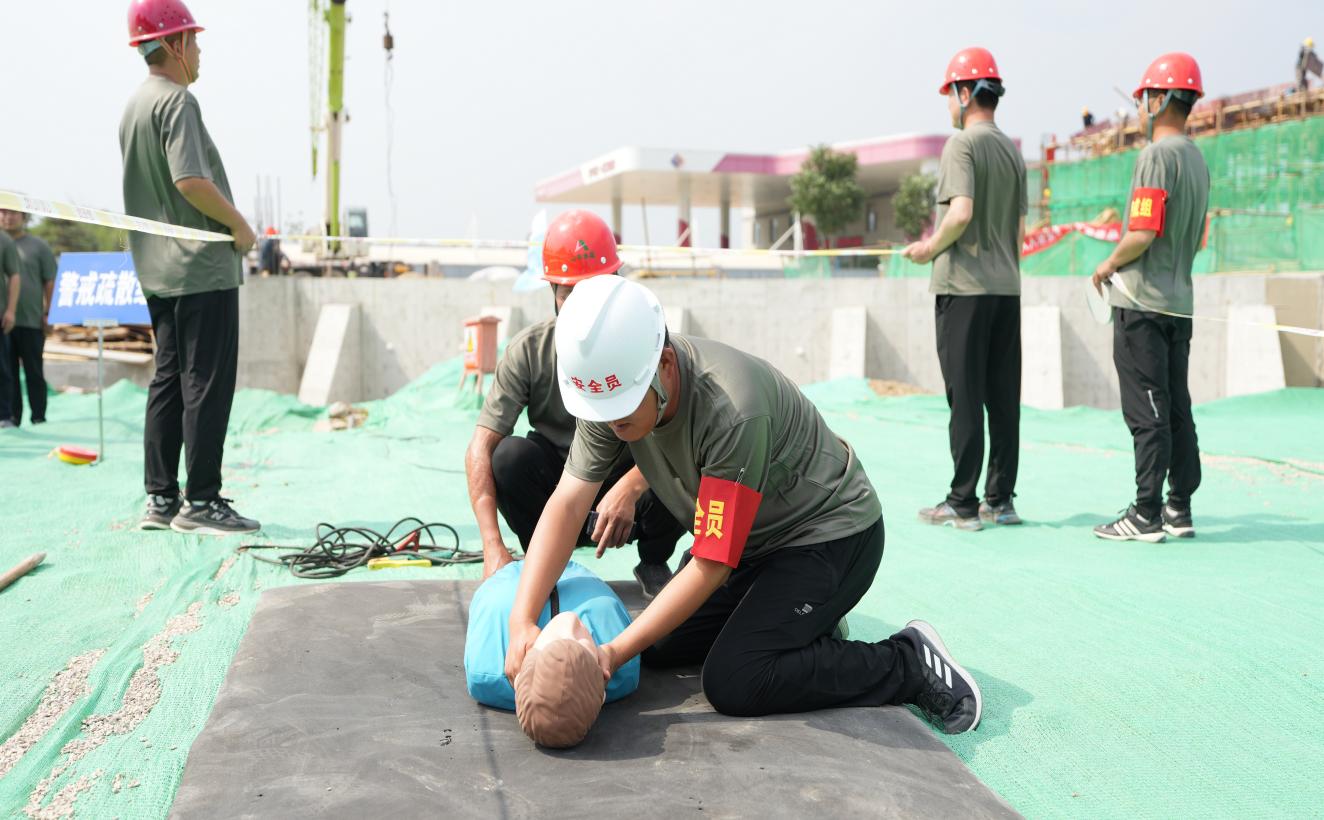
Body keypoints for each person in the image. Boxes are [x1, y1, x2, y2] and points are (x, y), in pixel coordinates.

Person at [503, 276, 983, 734]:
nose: (609, 424)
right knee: (659, 644)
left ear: (665, 365)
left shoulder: (731, 407)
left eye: (621, 409)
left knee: (736, 679)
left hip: (828, 537)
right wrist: (521, 619)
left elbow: (712, 562)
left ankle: (908, 662)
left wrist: (610, 655)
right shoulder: (614, 389)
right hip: (752, 546)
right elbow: (568, 504)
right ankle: (805, 625)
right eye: (600, 411)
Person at [465, 210, 683, 598]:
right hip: (562, 483)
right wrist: (491, 544)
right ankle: (544, 558)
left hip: (632, 479)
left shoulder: (648, 339)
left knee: (684, 465)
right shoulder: (528, 351)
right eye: (569, 294)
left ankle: (654, 559)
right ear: (551, 292)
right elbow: (481, 446)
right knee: (508, 457)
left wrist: (631, 487)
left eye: (592, 290)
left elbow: (682, 433)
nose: (584, 308)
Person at [120, 0, 259, 534]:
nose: (199, 51)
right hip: (201, 269)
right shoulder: (178, 101)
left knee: (168, 380)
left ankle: (161, 498)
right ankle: (202, 501)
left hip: (158, 271)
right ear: (174, 44)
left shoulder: (134, 106)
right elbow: (189, 181)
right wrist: (238, 225)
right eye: (194, 40)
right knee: (206, 382)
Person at [902, 47, 1027, 532]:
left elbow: (960, 212)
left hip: (964, 288)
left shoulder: (961, 145)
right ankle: (1001, 500)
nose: (948, 104)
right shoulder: (1012, 151)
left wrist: (928, 249)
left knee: (966, 396)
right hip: (1006, 289)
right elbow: (1019, 231)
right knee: (1003, 398)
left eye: (949, 94)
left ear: (964, 92)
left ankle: (962, 502)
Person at [1091, 53, 1210, 543]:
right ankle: (1179, 506)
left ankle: (1145, 513)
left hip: (1142, 303)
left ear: (1159, 100)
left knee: (1147, 410)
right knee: (1177, 405)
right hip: (1180, 301)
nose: (1141, 107)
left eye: (1144, 99)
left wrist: (1107, 264)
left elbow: (1142, 231)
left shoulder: (1155, 157)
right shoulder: (1198, 160)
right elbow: (1197, 237)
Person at [464, 559, 639, 747]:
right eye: (579, 643)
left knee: (497, 594)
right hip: (577, 573)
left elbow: (486, 601)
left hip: (510, 577)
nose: (570, 622)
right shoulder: (624, 666)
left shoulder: (484, 671)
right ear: (601, 695)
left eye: (555, 641)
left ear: (521, 675)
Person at [1, 210, 56, 426]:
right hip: (4, 323)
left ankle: (38, 416)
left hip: (32, 321)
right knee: (8, 373)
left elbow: (50, 281)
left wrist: (49, 313)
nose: (8, 217)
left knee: (34, 371)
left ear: (24, 216)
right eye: (3, 212)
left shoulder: (38, 246)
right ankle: (12, 417)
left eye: (13, 213)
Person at [0, 229, 20, 430]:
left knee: (3, 369)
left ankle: (4, 416)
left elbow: (14, 275)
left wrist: (11, 311)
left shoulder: (3, 240)